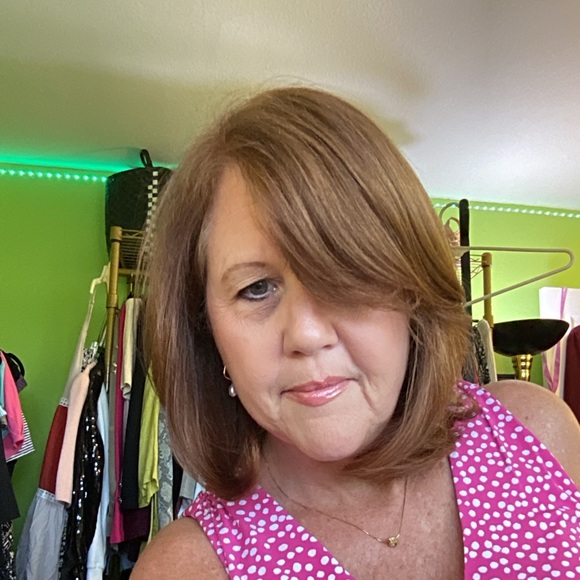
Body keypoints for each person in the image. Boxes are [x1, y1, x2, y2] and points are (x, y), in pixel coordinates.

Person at [132, 86, 580, 579]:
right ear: (207, 331)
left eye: (345, 274)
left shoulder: (537, 434)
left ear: (413, 292)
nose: (306, 334)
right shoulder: (185, 568)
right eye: (256, 289)